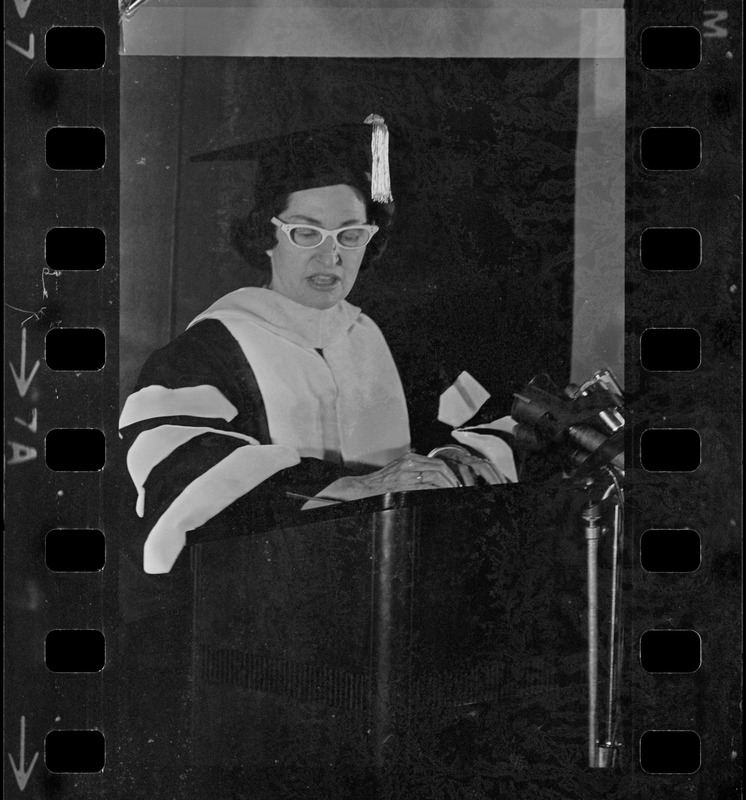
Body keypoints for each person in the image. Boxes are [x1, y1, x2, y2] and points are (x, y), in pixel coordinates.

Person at [119, 115, 505, 575]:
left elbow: (479, 427)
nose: (331, 255)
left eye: (350, 234)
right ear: (267, 237)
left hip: (401, 580)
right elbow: (180, 475)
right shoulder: (204, 353)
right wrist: (354, 487)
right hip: (274, 595)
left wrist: (452, 458)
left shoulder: (393, 345)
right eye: (306, 233)